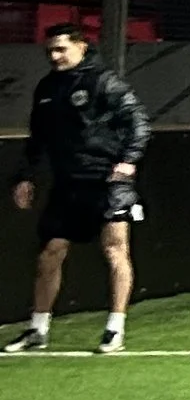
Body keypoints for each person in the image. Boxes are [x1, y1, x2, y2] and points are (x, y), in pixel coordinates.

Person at [6, 23, 150, 353]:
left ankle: (115, 328)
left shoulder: (104, 82)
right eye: (50, 51)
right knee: (50, 254)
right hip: (67, 184)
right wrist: (25, 176)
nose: (54, 56)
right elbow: (37, 139)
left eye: (61, 49)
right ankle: (37, 330)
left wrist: (128, 161)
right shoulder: (47, 88)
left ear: (81, 47)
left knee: (115, 250)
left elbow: (138, 122)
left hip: (109, 182)